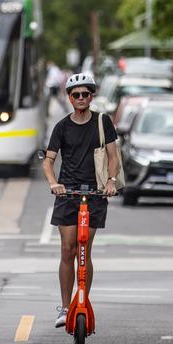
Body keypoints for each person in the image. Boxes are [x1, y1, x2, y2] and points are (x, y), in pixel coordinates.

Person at [42, 73, 119, 328]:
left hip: (95, 193)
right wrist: (54, 184)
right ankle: (65, 307)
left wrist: (111, 181)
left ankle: (82, 297)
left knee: (85, 249)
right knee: (68, 249)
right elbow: (48, 161)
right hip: (68, 194)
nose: (81, 98)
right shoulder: (62, 127)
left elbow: (112, 156)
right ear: (69, 97)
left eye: (86, 94)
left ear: (92, 96)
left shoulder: (102, 122)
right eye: (76, 94)